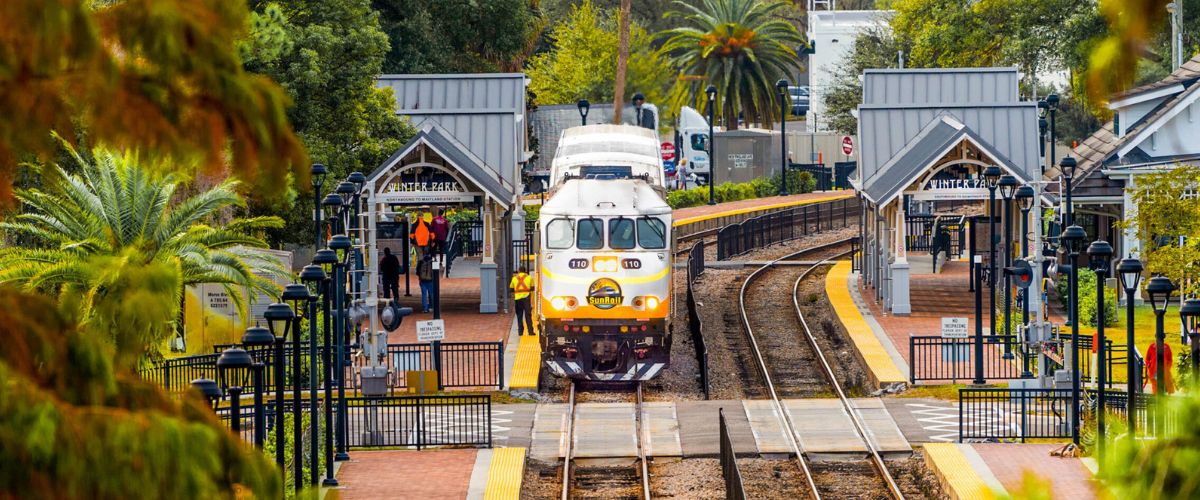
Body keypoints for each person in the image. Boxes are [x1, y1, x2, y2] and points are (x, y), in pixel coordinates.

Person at [510, 266, 535, 336]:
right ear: (525, 271)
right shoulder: (529, 277)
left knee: (519, 316)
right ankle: (530, 331)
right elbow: (532, 288)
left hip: (518, 299)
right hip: (526, 299)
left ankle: (520, 332)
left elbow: (511, 289)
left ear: (518, 271)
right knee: (528, 315)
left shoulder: (514, 278)